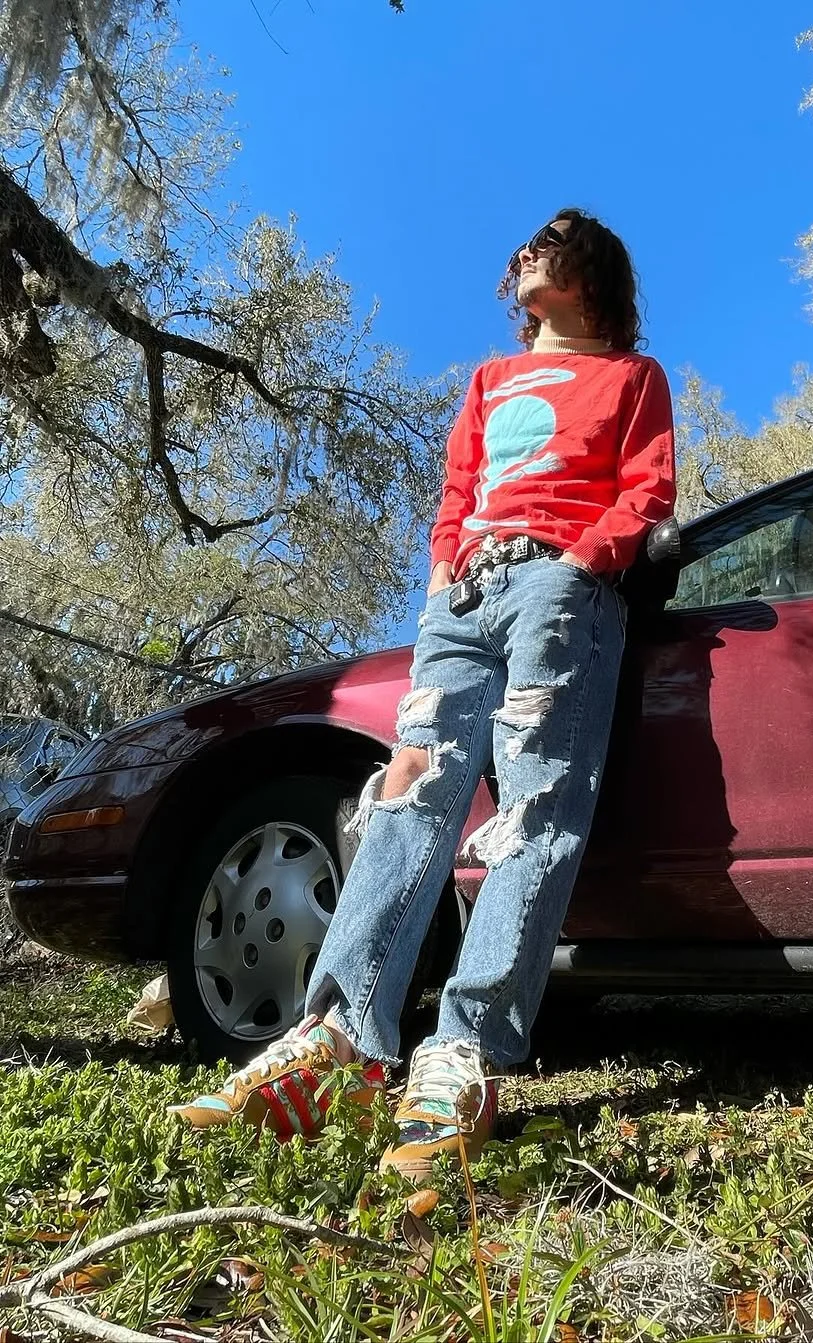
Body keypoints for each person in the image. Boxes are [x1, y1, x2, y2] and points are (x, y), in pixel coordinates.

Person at [169, 207, 676, 1182]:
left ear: (593, 272)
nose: (527, 252)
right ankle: (339, 1044)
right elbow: (456, 491)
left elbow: (647, 490)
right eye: (523, 245)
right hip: (463, 600)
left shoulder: (631, 378)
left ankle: (462, 1052)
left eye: (551, 241)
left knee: (533, 814)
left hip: (559, 596)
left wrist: (579, 564)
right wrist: (444, 577)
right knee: (406, 803)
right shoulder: (491, 381)